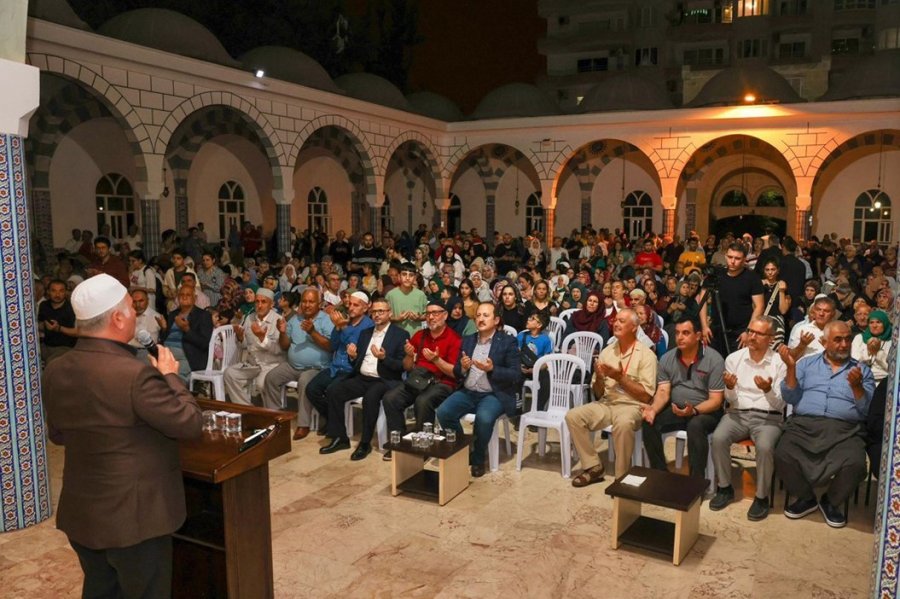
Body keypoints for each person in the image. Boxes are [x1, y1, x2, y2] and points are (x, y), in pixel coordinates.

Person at [43, 273, 202, 598]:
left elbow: (58, 435)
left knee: (101, 590)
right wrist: (171, 377)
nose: (134, 315)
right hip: (134, 520)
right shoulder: (134, 375)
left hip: (83, 514)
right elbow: (189, 423)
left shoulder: (56, 369)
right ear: (117, 318)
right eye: (131, 308)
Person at [774, 321, 875, 528]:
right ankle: (806, 497)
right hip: (804, 426)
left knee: (855, 464)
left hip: (845, 430)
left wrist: (856, 387)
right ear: (825, 342)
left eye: (847, 339)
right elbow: (790, 397)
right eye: (838, 339)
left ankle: (831, 501)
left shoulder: (862, 371)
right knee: (782, 454)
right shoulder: (806, 364)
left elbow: (866, 411)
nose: (844, 344)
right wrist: (791, 367)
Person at [709, 316, 787, 521]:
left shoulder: (780, 363)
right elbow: (730, 400)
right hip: (737, 414)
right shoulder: (734, 358)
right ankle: (724, 488)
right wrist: (730, 387)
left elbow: (780, 405)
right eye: (750, 331)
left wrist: (768, 390)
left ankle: (761, 497)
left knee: (764, 447)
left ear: (770, 338)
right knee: (718, 438)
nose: (752, 336)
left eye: (759, 333)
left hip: (768, 418)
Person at [566, 308, 657, 485]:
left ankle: (621, 476)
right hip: (607, 403)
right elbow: (599, 393)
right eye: (615, 320)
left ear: (634, 327)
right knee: (573, 416)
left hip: (632, 405)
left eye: (622, 321)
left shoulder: (647, 355)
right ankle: (593, 467)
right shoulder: (608, 352)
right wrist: (599, 378)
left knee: (623, 423)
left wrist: (620, 378)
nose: (616, 323)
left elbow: (646, 396)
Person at [437, 302, 522, 477]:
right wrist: (463, 367)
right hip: (468, 391)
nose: (481, 319)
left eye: (486, 315)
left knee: (484, 418)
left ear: (496, 320)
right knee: (444, 412)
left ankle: (477, 458)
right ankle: (462, 449)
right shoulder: (468, 340)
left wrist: (492, 369)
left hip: (493, 394)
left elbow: (515, 374)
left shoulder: (507, 341)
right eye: (478, 315)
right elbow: (458, 372)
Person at [319, 298, 410, 460]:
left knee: (371, 397)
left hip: (384, 379)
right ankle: (340, 437)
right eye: (374, 312)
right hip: (362, 377)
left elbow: (401, 366)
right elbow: (357, 360)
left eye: (381, 311)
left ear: (389, 313)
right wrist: (353, 356)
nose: (377, 315)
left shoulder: (400, 334)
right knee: (334, 390)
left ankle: (365, 443)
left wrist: (383, 358)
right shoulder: (365, 333)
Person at [642, 315, 725, 478]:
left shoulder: (714, 359)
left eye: (686, 333)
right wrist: (653, 409)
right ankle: (660, 474)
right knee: (649, 422)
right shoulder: (668, 358)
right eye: (677, 333)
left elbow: (716, 401)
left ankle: (696, 482)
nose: (680, 337)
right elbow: (663, 392)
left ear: (698, 336)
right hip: (676, 408)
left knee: (695, 426)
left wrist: (693, 410)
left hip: (705, 411)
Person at [380, 300, 462, 460]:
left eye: (435, 313)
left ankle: (423, 446)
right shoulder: (420, 335)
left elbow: (454, 373)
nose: (431, 317)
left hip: (443, 382)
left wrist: (437, 360)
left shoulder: (454, 339)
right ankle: (400, 443)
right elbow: (408, 367)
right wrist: (410, 355)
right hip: (419, 379)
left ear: (445, 315)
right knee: (390, 398)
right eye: (428, 313)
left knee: (423, 401)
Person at [263, 288, 335, 439]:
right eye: (304, 301)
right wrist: (282, 332)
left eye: (311, 301)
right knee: (271, 378)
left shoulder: (326, 320)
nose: (307, 305)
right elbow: (284, 345)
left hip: (317, 368)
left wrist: (312, 332)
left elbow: (330, 346)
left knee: (304, 381)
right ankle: (276, 418)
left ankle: (303, 425)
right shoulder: (295, 319)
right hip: (292, 366)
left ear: (319, 303)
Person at [313, 292, 375, 453]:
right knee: (312, 389)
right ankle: (333, 419)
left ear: (365, 307)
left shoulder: (368, 325)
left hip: (351, 370)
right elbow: (333, 345)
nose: (351, 308)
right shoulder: (343, 321)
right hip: (335, 367)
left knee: (334, 391)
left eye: (356, 305)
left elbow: (357, 350)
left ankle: (340, 436)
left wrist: (344, 327)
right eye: (350, 304)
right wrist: (338, 327)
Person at [699, 242, 764, 356]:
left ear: (744, 259)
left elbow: (759, 306)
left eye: (737, 258)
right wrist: (704, 326)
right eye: (730, 257)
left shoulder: (752, 278)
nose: (732, 261)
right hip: (716, 330)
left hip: (740, 332)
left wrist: (748, 331)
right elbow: (702, 300)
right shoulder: (716, 275)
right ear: (725, 256)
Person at [223, 288, 286, 405]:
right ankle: (247, 410)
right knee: (229, 373)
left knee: (262, 383)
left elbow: (280, 350)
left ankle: (270, 414)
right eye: (257, 302)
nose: (259, 305)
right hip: (253, 363)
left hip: (271, 364)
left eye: (264, 302)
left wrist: (263, 338)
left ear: (272, 304)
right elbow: (246, 345)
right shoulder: (250, 318)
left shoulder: (278, 320)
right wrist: (240, 338)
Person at [160, 285, 214, 382]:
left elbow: (204, 343)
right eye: (181, 294)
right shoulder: (173, 314)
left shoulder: (203, 315)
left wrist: (187, 329)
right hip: (167, 353)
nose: (184, 297)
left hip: (187, 356)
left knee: (170, 379)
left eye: (188, 295)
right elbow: (164, 340)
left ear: (195, 298)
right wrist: (164, 329)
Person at [38, 279, 78, 364]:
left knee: (51, 363)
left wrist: (59, 328)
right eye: (53, 291)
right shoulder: (44, 305)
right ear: (48, 292)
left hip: (65, 347)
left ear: (66, 292)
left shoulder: (72, 308)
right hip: (45, 345)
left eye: (61, 291)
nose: (57, 294)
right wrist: (43, 325)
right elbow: (39, 324)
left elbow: (79, 331)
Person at [787, 296, 838, 360]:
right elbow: (791, 358)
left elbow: (842, 361)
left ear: (833, 314)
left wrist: (828, 349)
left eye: (826, 311)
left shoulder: (838, 332)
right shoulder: (802, 329)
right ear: (813, 311)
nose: (821, 313)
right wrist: (802, 345)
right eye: (818, 309)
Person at [385, 262, 428, 336]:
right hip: (395, 335)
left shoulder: (421, 295)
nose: (407, 278)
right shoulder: (390, 295)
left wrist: (418, 318)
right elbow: (385, 317)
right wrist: (397, 319)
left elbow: (427, 315)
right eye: (404, 274)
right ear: (399, 276)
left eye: (411, 275)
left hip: (416, 336)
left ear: (414, 278)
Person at [850, 310, 892, 383]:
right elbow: (854, 363)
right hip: (863, 381)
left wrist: (878, 353)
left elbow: (892, 369)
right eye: (871, 322)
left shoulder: (891, 342)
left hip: (884, 382)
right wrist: (869, 353)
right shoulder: (859, 338)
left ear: (885, 323)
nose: (874, 326)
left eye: (878, 322)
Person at [129, 289, 165, 361]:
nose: (138, 305)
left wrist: (164, 328)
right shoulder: (126, 316)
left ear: (148, 301)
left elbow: (162, 341)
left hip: (146, 353)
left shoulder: (157, 317)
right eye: (134, 301)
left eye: (141, 301)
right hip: (127, 351)